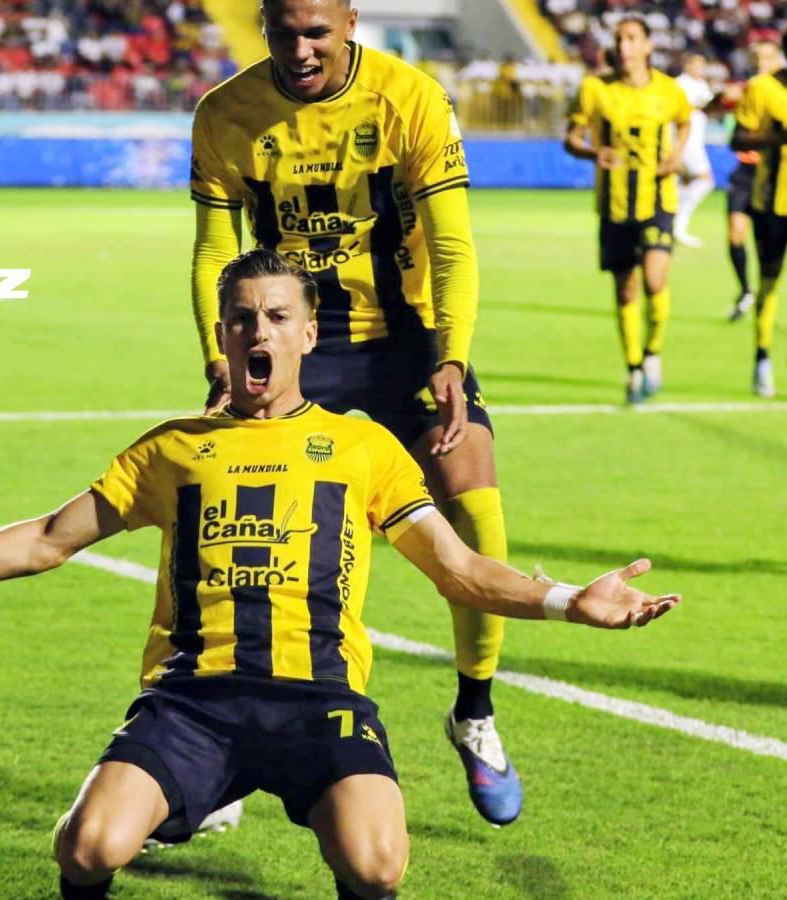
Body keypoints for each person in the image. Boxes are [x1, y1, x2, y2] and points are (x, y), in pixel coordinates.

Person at [0, 250, 681, 900]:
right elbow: (45, 539)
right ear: (222, 336)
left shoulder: (362, 447)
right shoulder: (172, 450)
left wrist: (569, 602)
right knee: (88, 848)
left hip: (320, 698)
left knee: (378, 865)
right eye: (241, 318)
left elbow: (458, 571)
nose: (258, 331)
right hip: (193, 702)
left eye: (275, 317)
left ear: (308, 333)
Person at [190, 0, 523, 827]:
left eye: (317, 33)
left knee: (475, 505)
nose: (301, 50)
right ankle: (227, 739)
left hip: (406, 337)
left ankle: (474, 710)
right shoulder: (226, 112)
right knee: (242, 526)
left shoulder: (410, 98)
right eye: (284, 33)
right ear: (263, 24)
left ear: (349, 23)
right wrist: (220, 357)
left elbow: (453, 245)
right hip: (291, 335)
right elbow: (213, 249)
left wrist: (451, 355)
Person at [564, 16, 692, 404]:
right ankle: (634, 366)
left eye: (632, 38)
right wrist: (593, 152)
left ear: (648, 46)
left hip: (657, 200)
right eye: (619, 39)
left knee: (654, 280)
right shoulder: (595, 89)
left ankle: (653, 353)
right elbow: (571, 138)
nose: (624, 46)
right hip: (614, 205)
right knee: (626, 288)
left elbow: (685, 123)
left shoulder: (669, 90)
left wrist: (676, 154)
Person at [730, 32, 787, 398]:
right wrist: (776, 139)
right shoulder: (763, 88)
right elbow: (738, 138)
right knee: (769, 282)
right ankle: (762, 356)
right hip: (772, 203)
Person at [725, 40, 784, 322]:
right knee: (735, 234)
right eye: (757, 58)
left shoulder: (774, 91)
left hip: (775, 180)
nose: (762, 63)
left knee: (771, 259)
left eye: (767, 57)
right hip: (747, 173)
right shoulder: (750, 89)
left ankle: (761, 296)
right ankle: (745, 289)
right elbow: (734, 134)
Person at [673, 53, 715, 248]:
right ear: (687, 65)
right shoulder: (679, 85)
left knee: (685, 182)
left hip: (696, 142)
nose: (700, 69)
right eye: (696, 65)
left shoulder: (702, 85)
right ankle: (679, 222)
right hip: (686, 142)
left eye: (702, 65)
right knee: (706, 181)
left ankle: (676, 225)